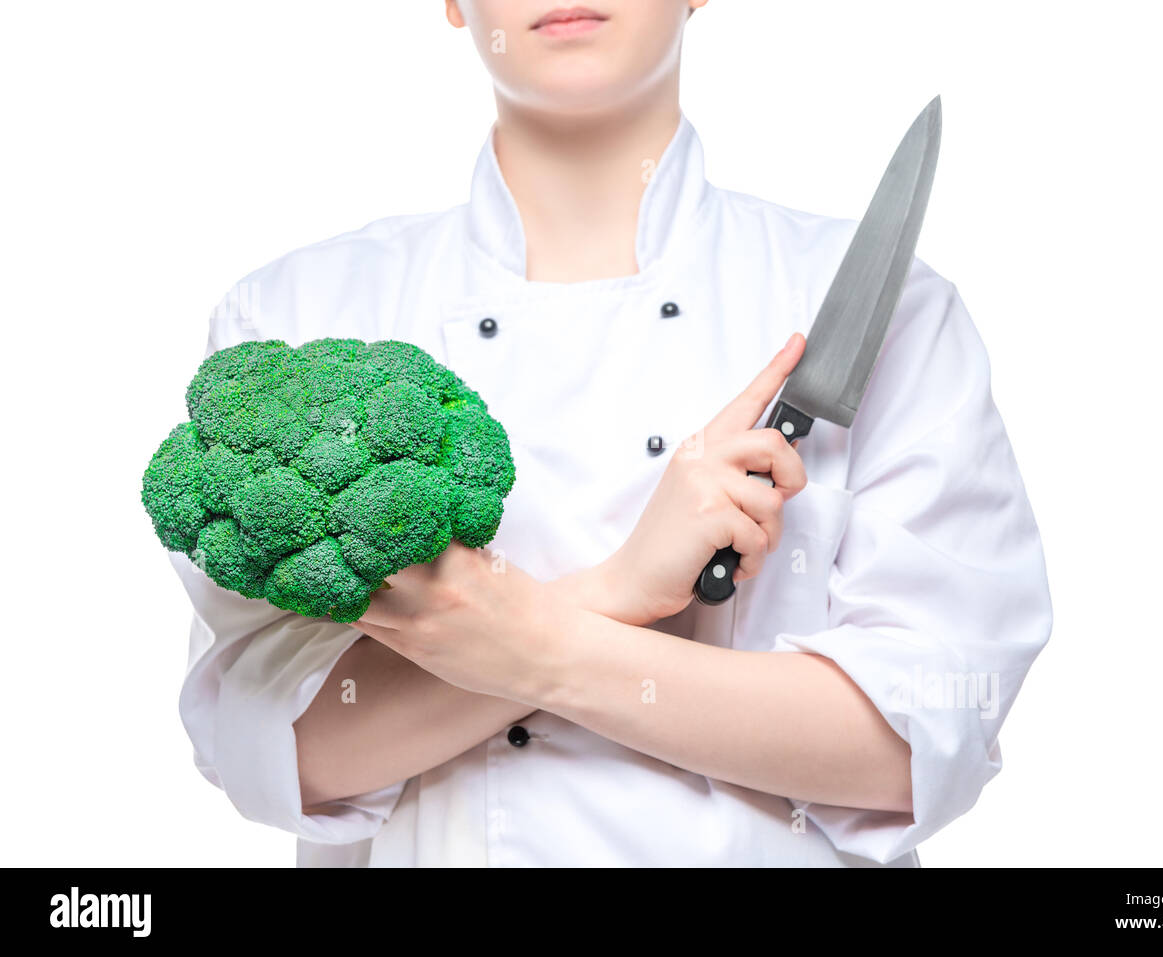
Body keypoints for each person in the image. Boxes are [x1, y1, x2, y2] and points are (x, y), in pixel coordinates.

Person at [173, 0, 1052, 867]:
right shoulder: (295, 318)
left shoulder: (879, 306)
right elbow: (283, 753)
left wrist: (547, 648)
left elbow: (915, 744)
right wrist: (620, 588)